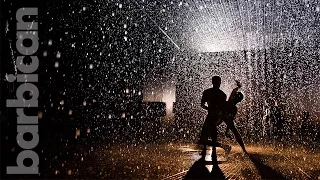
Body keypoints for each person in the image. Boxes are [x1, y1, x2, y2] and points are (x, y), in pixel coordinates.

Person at [199, 76, 227, 163]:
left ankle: (208, 149)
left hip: (215, 116)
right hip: (214, 116)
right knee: (206, 135)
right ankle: (219, 147)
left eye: (218, 82)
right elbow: (202, 104)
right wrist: (210, 109)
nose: (218, 84)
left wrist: (210, 109)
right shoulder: (221, 94)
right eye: (217, 82)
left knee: (207, 132)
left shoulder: (211, 93)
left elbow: (202, 104)